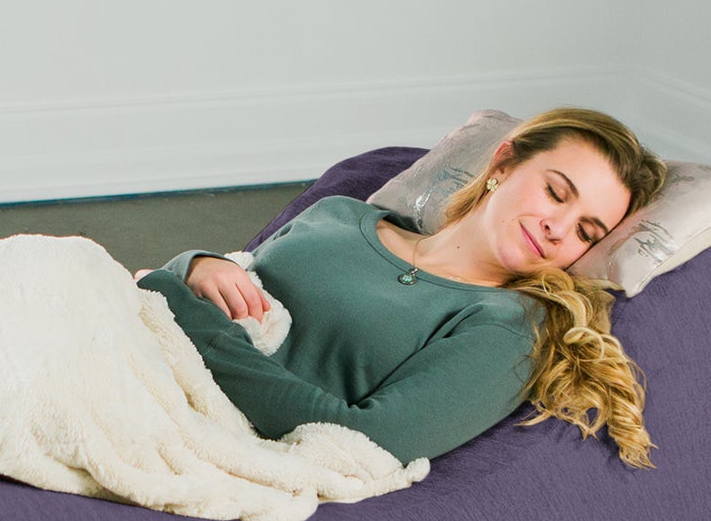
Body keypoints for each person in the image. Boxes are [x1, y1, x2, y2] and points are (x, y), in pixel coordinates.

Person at [134, 108, 669, 471]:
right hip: (137, 348)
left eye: (585, 232)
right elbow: (233, 277)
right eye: (555, 192)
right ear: (503, 165)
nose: (558, 228)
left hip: (197, 423)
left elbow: (368, 438)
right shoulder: (340, 215)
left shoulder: (509, 324)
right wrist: (194, 265)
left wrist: (173, 300)